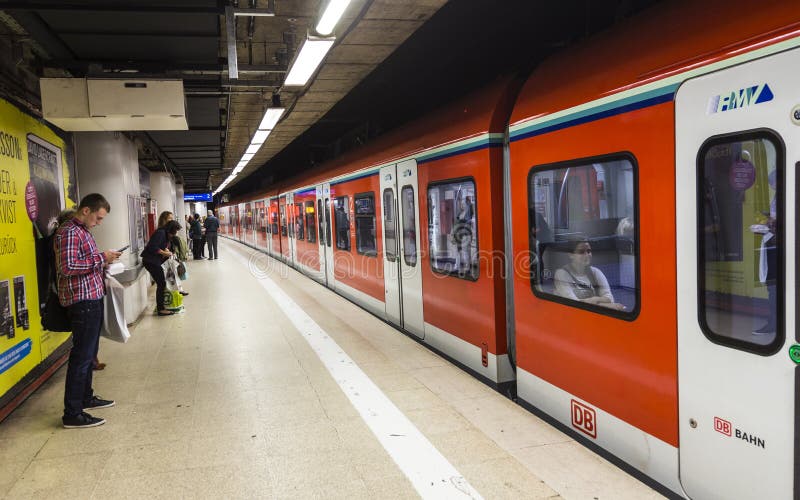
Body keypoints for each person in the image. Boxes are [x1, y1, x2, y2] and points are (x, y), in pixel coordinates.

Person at [54, 194, 121, 428]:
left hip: (90, 298)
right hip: (81, 301)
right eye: (98, 217)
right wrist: (101, 258)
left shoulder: (80, 230)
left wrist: (104, 261)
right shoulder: (69, 232)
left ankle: (85, 397)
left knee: (89, 354)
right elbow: (68, 267)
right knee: (81, 358)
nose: (99, 222)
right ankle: (72, 413)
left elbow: (83, 261)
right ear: (85, 210)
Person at [554, 237, 625, 311]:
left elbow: (610, 298)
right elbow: (574, 303)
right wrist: (606, 305)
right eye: (581, 252)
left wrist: (594, 299)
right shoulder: (561, 274)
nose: (587, 255)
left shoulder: (595, 272)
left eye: (589, 251)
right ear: (570, 255)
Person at [752, 169, 778, 335]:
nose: (772, 186)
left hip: (777, 246)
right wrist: (767, 217)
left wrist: (769, 223)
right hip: (772, 244)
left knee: (773, 286)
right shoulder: (778, 196)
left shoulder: (787, 195)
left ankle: (774, 323)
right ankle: (774, 320)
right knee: (772, 286)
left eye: (773, 183)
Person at [142, 220, 184, 316]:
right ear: (171, 229)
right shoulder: (160, 233)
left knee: (162, 282)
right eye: (175, 231)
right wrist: (165, 253)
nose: (175, 233)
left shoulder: (164, 234)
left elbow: (160, 246)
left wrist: (166, 250)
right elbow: (152, 247)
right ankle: (161, 309)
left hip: (154, 261)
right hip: (150, 261)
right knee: (161, 283)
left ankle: (161, 307)